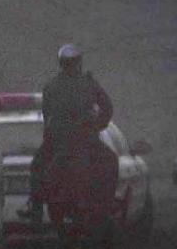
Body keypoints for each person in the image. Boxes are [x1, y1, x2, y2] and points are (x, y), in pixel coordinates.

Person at [18, 43, 114, 222]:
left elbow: (47, 116)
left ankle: (35, 207)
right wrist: (97, 126)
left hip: (58, 141)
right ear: (79, 62)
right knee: (111, 160)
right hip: (86, 139)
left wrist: (50, 137)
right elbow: (107, 108)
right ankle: (109, 202)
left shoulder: (51, 86)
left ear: (61, 63)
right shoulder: (89, 83)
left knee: (37, 166)